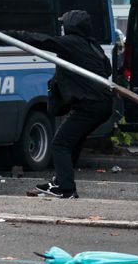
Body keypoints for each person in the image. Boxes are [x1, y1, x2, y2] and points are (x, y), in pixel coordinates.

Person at [8, 10, 113, 198]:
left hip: (89, 105)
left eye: (64, 24)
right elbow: (108, 68)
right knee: (72, 143)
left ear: (71, 26)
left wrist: (12, 36)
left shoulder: (72, 43)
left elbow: (43, 41)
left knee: (60, 144)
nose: (62, 28)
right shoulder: (93, 45)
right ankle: (60, 180)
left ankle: (66, 188)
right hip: (103, 104)